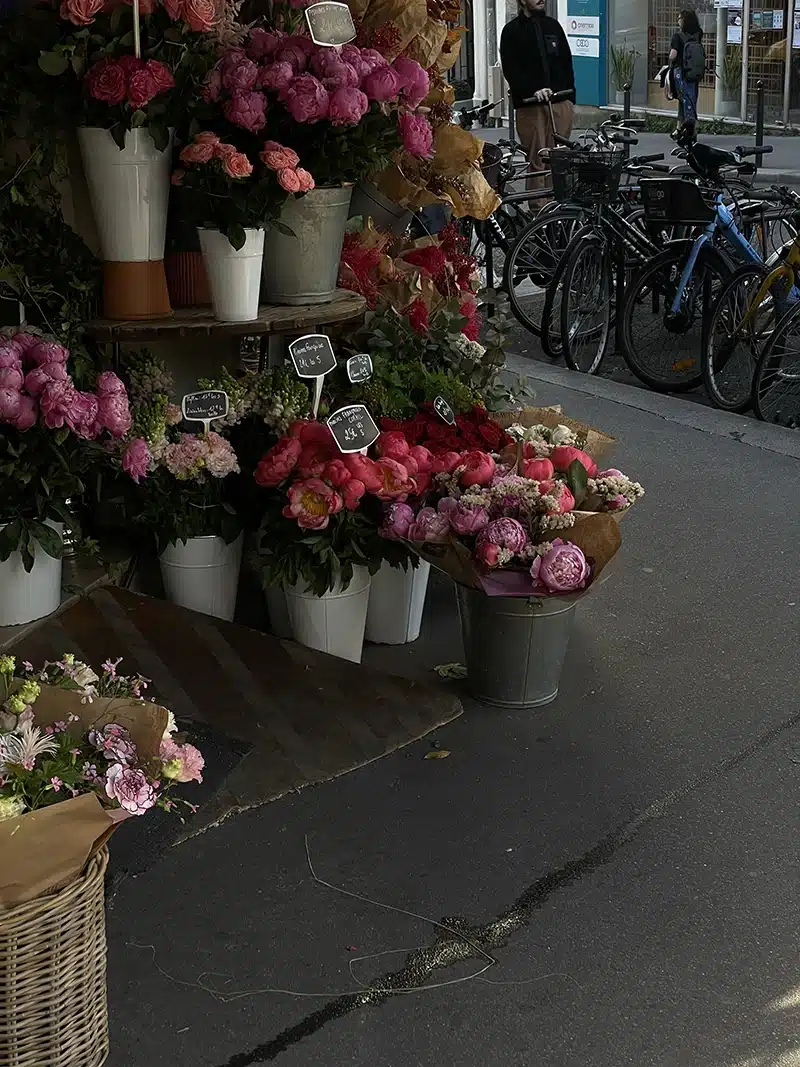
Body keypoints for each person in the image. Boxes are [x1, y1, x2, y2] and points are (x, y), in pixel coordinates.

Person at [500, 0, 575, 190]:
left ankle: (560, 211)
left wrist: (569, 100)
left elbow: (567, 62)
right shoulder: (511, 31)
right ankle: (539, 212)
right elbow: (511, 70)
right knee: (538, 161)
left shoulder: (553, 26)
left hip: (560, 103)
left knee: (559, 160)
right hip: (530, 106)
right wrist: (532, 90)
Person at [669, 9, 705, 144]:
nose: (678, 21)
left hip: (681, 72)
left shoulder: (677, 36)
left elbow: (673, 54)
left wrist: (669, 58)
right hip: (694, 72)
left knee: (685, 99)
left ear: (684, 20)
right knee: (689, 99)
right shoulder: (698, 33)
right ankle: (679, 128)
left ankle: (691, 131)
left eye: (679, 18)